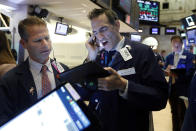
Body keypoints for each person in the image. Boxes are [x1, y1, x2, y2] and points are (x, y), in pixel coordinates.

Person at [77, 8, 169, 131]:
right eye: (95, 32)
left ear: (117, 25)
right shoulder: (97, 56)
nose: (99, 36)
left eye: (103, 29)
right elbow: (83, 93)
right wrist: (90, 58)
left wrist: (124, 85)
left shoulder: (141, 52)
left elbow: (160, 98)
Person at [0, 16, 68, 125]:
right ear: (23, 44)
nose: (46, 45)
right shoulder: (9, 80)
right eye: (38, 40)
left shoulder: (64, 69)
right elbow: (4, 121)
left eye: (47, 38)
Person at [164, 35, 194, 131]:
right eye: (173, 42)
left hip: (184, 88)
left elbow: (190, 71)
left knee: (183, 113)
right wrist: (167, 70)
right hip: (172, 88)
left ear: (181, 44)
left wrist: (177, 73)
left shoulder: (189, 56)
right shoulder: (169, 57)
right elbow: (164, 69)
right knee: (174, 112)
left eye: (177, 42)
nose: (175, 44)